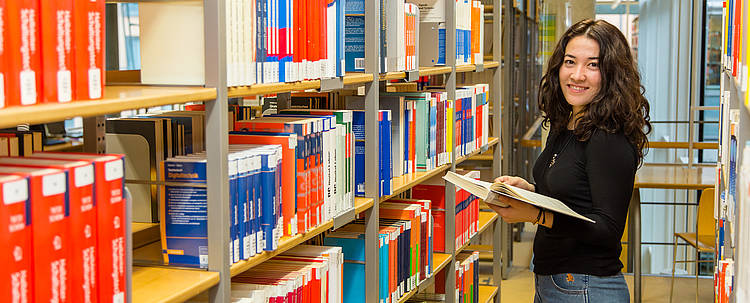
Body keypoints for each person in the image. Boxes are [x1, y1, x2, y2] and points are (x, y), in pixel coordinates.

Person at [488, 19, 651, 302]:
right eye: (570, 61)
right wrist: (529, 192)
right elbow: (574, 198)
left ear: (612, 73)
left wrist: (534, 215)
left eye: (593, 65)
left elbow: (607, 230)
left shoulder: (607, 136)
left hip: (586, 286)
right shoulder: (568, 123)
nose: (577, 75)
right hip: (556, 281)